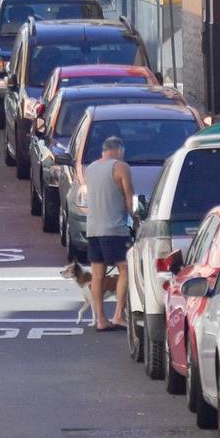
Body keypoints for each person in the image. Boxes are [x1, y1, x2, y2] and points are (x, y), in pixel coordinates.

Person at [80, 133, 136, 332]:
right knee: (125, 270)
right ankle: (119, 314)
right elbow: (129, 199)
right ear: (119, 150)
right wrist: (137, 219)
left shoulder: (90, 169)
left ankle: (100, 319)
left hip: (93, 228)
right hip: (114, 228)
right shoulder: (121, 167)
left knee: (97, 274)